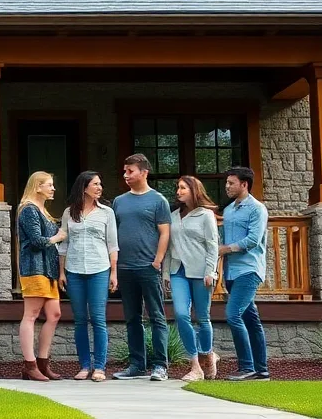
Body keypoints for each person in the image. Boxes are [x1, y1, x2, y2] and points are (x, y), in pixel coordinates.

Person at [110, 153, 172, 381]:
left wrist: (157, 261)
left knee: (156, 316)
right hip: (125, 268)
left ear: (144, 172)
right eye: (125, 171)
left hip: (148, 267)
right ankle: (137, 365)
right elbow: (114, 235)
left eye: (130, 171)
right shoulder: (119, 201)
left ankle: (160, 366)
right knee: (132, 318)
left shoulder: (158, 201)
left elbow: (165, 232)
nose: (126, 175)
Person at [59, 171, 118, 382]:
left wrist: (114, 272)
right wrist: (61, 272)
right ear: (84, 187)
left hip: (99, 269)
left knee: (98, 319)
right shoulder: (69, 213)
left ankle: (100, 367)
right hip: (74, 271)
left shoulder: (107, 213)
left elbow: (112, 244)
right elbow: (63, 245)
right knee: (80, 320)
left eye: (100, 184)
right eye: (95, 184)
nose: (100, 188)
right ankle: (84, 365)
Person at [167, 175, 220, 381]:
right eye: (177, 188)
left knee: (203, 317)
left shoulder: (206, 215)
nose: (178, 191)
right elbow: (170, 247)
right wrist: (165, 273)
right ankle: (195, 365)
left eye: (183, 188)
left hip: (201, 272)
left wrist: (210, 271)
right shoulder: (173, 216)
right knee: (181, 314)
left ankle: (208, 355)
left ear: (194, 190)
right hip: (177, 270)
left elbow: (212, 245)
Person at [219, 167, 270, 380]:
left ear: (244, 184)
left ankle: (247, 367)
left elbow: (253, 240)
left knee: (233, 315)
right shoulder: (229, 210)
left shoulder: (257, 209)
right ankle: (262, 370)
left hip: (249, 270)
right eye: (227, 183)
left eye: (231, 183)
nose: (227, 186)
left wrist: (226, 249)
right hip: (231, 272)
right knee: (251, 319)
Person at [16, 170, 67, 381]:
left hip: (49, 270)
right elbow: (37, 242)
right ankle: (30, 365)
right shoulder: (28, 210)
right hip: (34, 268)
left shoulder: (42, 210)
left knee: (54, 314)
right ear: (37, 186)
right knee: (31, 314)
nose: (53, 188)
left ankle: (43, 363)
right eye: (49, 184)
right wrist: (58, 237)